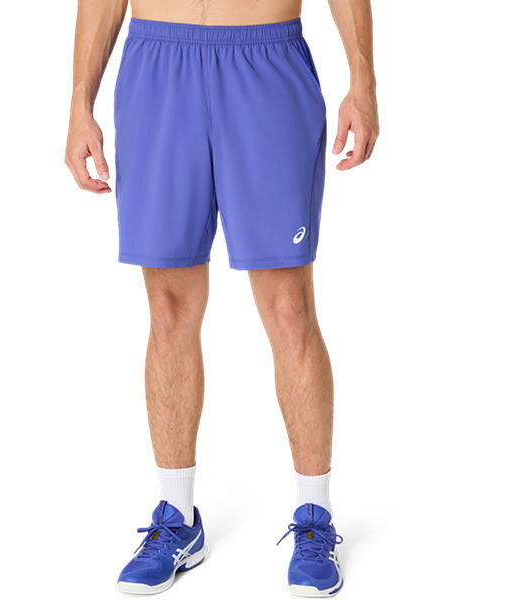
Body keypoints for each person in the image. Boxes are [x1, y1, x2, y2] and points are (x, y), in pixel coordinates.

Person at [65, 0, 378, 596]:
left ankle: (315, 516)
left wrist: (362, 81)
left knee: (289, 307)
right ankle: (177, 517)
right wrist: (81, 102)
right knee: (168, 306)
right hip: (158, 66)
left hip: (266, 62)